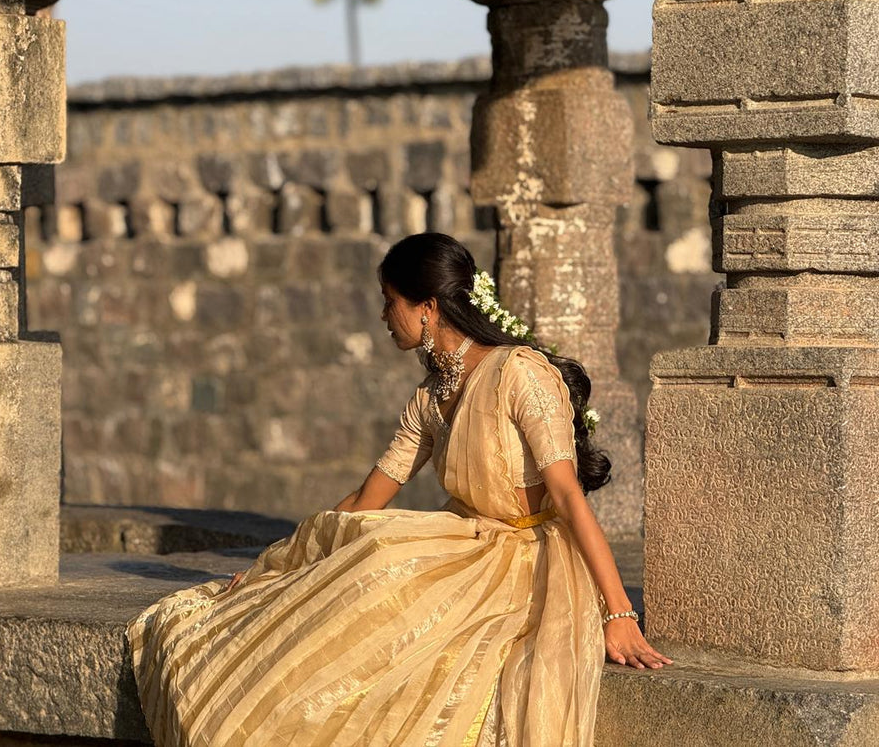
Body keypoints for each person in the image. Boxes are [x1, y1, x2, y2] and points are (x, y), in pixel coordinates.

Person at [126, 233, 670, 746]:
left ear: (427, 307)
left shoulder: (519, 373)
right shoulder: (432, 396)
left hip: (533, 561)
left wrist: (619, 614)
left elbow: (568, 496)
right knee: (367, 558)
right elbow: (366, 500)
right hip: (468, 546)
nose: (384, 317)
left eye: (390, 302)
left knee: (385, 565)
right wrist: (282, 566)